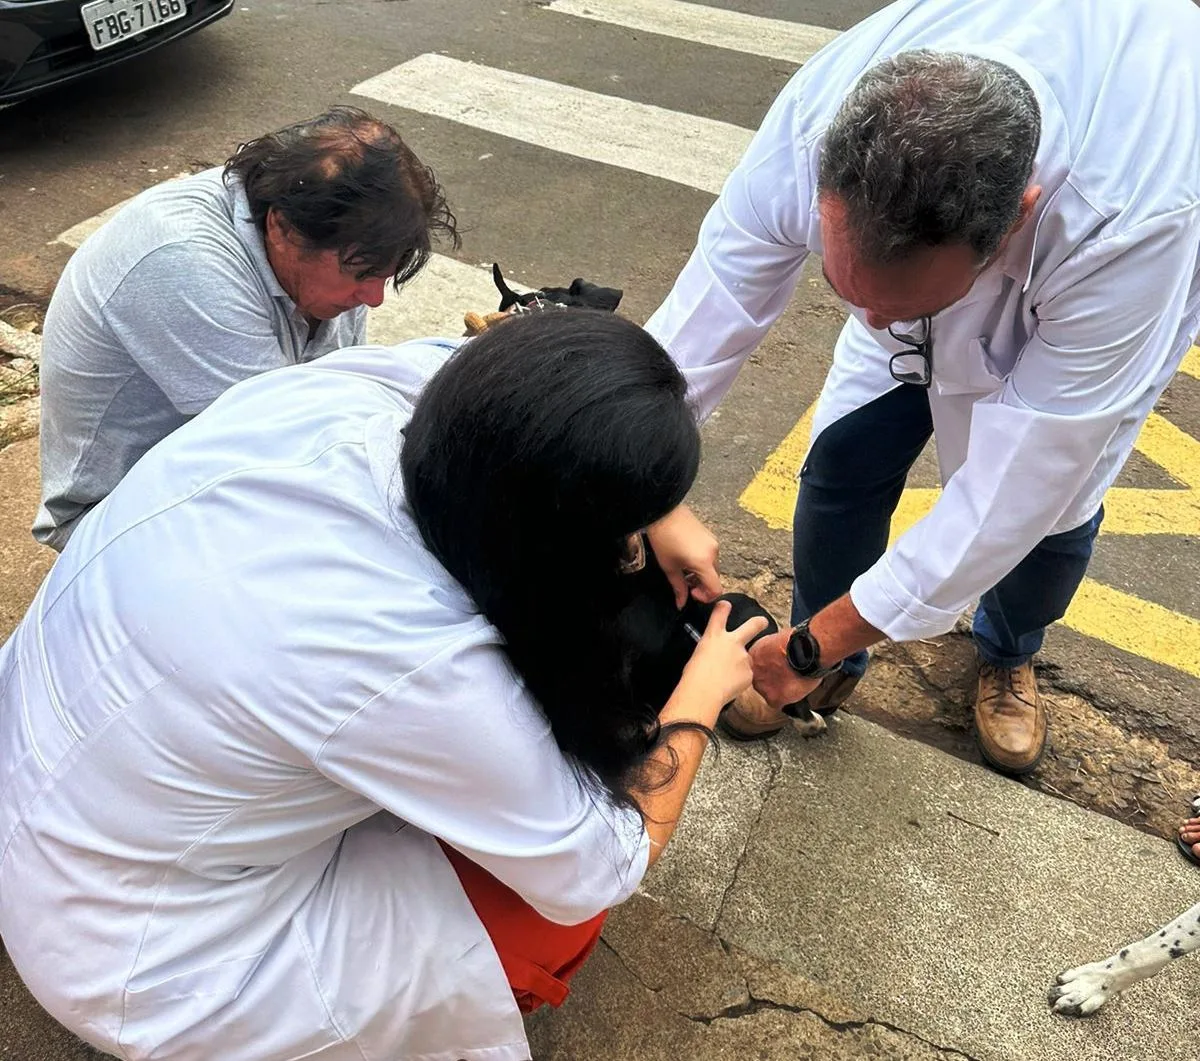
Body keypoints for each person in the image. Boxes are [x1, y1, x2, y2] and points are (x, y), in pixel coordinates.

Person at [0, 310, 765, 1061]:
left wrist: (651, 502)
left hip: (38, 779)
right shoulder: (418, 658)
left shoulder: (349, 393)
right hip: (138, 955)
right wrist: (700, 691)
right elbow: (601, 864)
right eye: (621, 532)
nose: (631, 543)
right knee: (552, 919)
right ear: (556, 532)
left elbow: (481, 353)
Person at [645, 0, 1200, 776]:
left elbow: (1017, 487)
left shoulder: (1133, 222)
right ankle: (824, 663)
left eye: (895, 301)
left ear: (1019, 217)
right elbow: (710, 312)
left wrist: (816, 639)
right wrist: (640, 487)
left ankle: (1007, 653)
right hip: (935, 276)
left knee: (1048, 524)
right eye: (847, 289)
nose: (864, 318)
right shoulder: (817, 114)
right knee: (839, 467)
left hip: (1086, 309)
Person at [33, 105, 458, 551]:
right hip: (109, 514)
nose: (374, 298)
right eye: (363, 275)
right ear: (282, 229)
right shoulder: (181, 261)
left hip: (221, 466)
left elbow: (339, 403)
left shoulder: (336, 238)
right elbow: (289, 457)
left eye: (385, 275)